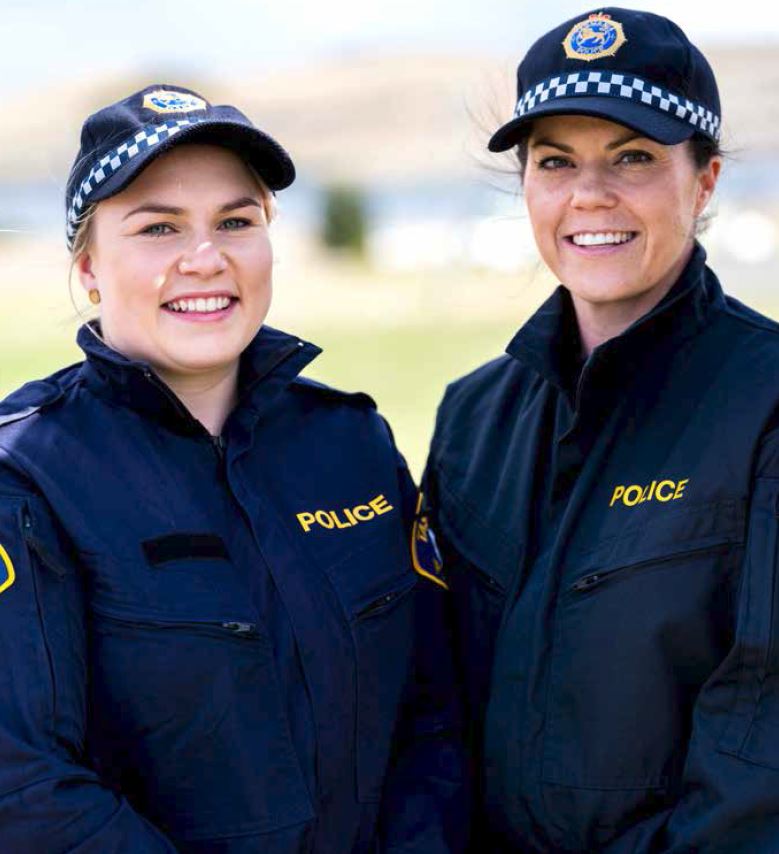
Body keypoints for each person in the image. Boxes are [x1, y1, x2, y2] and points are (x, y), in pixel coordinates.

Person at [0, 84, 464, 853]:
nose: (205, 258)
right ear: (87, 268)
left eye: (236, 221)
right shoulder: (28, 478)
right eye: (157, 228)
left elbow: (434, 713)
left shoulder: (352, 443)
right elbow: (23, 781)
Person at [424, 7, 779, 852]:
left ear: (704, 181)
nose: (590, 195)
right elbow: (433, 701)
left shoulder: (764, 403)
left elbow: (760, 751)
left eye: (632, 158)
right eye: (555, 162)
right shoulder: (472, 417)